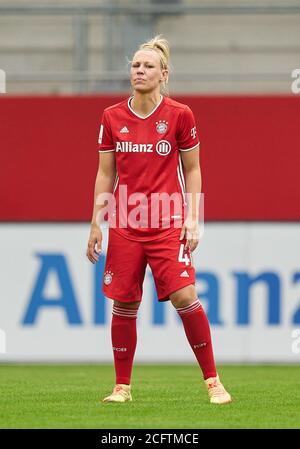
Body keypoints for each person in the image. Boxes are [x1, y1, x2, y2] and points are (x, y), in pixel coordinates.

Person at [86, 35, 231, 405]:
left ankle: (213, 382)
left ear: (163, 74)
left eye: (148, 65)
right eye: (135, 65)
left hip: (167, 222)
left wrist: (193, 218)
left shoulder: (180, 115)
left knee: (185, 295)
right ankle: (122, 387)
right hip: (126, 223)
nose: (139, 70)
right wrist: (95, 223)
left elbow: (193, 168)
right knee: (125, 303)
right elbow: (106, 174)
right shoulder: (111, 117)